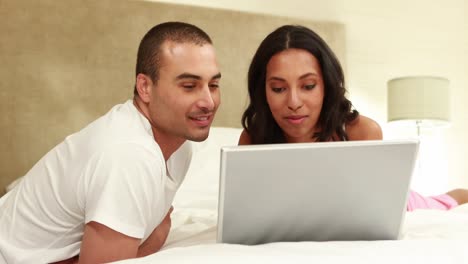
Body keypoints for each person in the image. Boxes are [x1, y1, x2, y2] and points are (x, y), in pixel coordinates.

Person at [0, 21, 221, 263]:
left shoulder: (181, 146)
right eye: (189, 86)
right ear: (145, 87)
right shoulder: (128, 154)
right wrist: (154, 238)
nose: (208, 102)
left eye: (213, 85)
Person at [239, 24, 468, 212]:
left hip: (400, 202)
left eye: (308, 86)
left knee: (446, 203)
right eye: (278, 88)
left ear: (326, 86)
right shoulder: (253, 138)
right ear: (263, 92)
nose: (294, 102)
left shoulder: (362, 132)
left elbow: (375, 210)